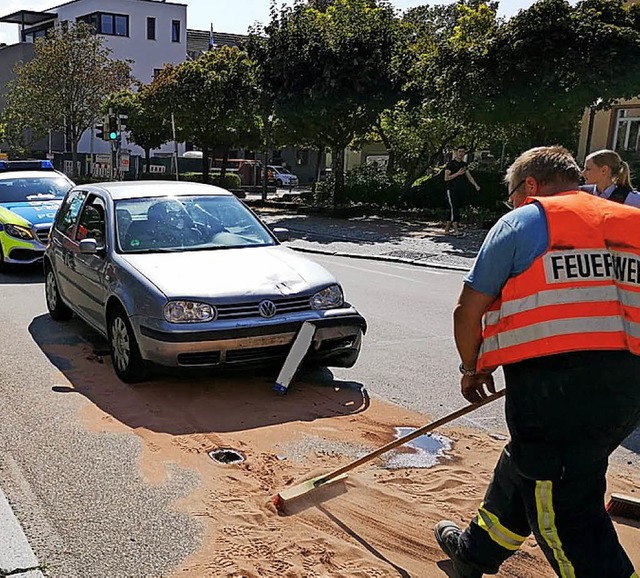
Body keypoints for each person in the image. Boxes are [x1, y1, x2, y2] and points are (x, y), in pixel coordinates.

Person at [434, 146, 640, 578]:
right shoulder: (631, 222)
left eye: (511, 193)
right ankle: (475, 551)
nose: (511, 202)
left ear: (529, 185)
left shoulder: (524, 221)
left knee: (566, 512)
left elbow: (467, 311)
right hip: (627, 389)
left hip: (553, 393)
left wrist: (472, 368)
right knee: (534, 464)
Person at [443, 146, 481, 237]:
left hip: (460, 190)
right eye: (459, 151)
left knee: (454, 209)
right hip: (451, 190)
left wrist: (475, 185)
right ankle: (456, 230)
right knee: (454, 209)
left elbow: (469, 176)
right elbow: (446, 178)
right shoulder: (450, 164)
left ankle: (447, 230)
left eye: (463, 152)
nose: (461, 153)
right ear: (456, 152)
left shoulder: (464, 165)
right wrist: (458, 173)